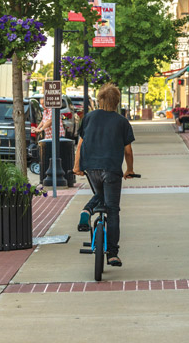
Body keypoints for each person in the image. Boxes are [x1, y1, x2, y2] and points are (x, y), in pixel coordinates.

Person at [72, 83, 135, 267]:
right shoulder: (122, 121)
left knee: (100, 195)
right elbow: (128, 151)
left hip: (91, 168)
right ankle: (113, 254)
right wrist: (129, 170)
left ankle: (87, 210)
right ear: (116, 102)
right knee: (112, 209)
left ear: (99, 100)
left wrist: (77, 167)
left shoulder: (89, 117)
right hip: (111, 169)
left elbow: (81, 145)